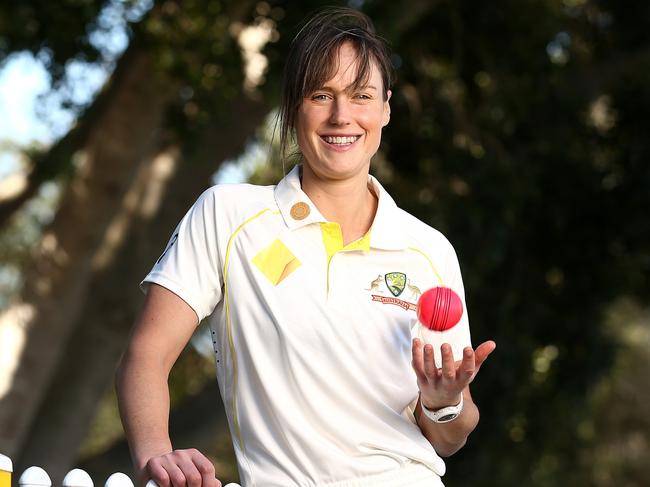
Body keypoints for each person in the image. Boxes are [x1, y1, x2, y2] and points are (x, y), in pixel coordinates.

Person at [115, 7, 496, 487]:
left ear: (385, 109)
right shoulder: (228, 215)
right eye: (322, 95)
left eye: (362, 96)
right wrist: (156, 455)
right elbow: (145, 357)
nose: (342, 116)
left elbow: (451, 436)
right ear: (294, 107)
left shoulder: (428, 250)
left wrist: (444, 402)